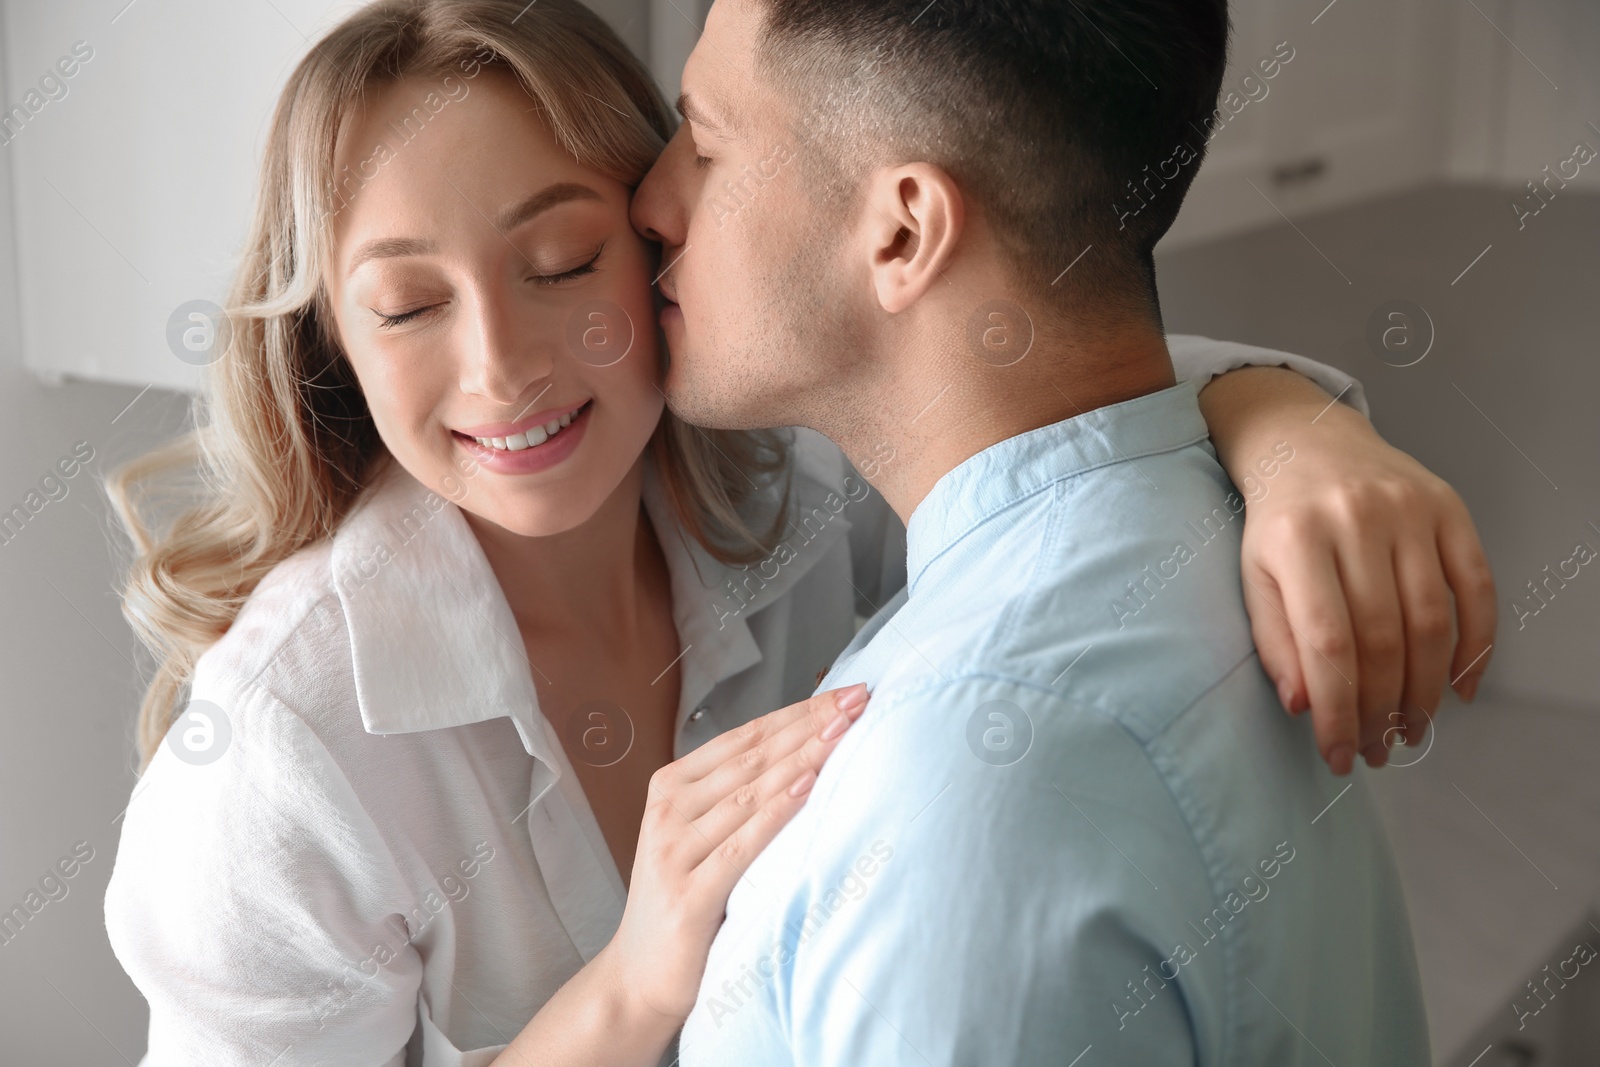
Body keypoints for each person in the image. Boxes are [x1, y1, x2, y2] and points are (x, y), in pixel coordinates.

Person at [102, 1, 1489, 1064]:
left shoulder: (799, 495)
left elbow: (1050, 416)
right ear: (335, 341)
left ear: (653, 241)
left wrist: (1288, 424)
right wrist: (627, 988)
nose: (505, 366)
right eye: (407, 307)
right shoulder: (280, 756)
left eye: (565, 260)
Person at [629, 0, 1454, 1063]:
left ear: (902, 230)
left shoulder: (965, 797)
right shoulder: (1208, 519)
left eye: (705, 144)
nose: (652, 197)